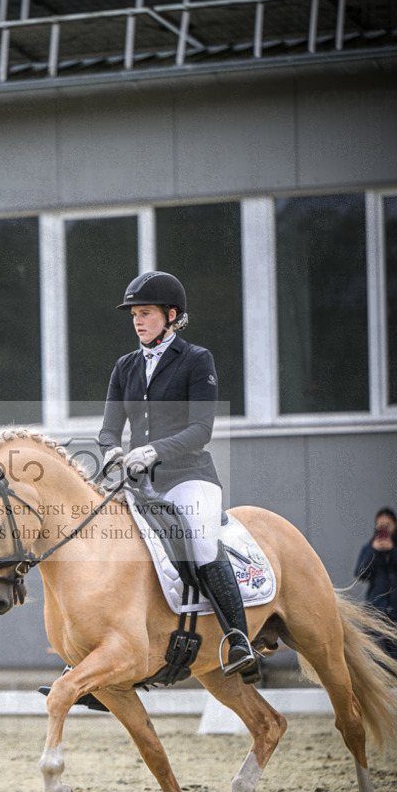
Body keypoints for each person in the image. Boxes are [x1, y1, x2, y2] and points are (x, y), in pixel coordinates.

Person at [97, 270, 261, 684]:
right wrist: (111, 450)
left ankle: (238, 639)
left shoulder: (196, 360)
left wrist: (155, 450)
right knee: (106, 542)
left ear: (171, 315)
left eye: (146, 313)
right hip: (140, 482)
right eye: (134, 313)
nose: (137, 320)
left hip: (190, 476)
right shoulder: (125, 366)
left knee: (203, 543)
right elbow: (109, 427)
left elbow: (201, 430)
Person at [355, 508, 397, 662]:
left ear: (395, 525)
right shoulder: (369, 548)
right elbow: (360, 574)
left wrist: (393, 551)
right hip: (376, 611)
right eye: (380, 526)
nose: (384, 530)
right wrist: (373, 552)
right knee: (376, 657)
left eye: (387, 525)